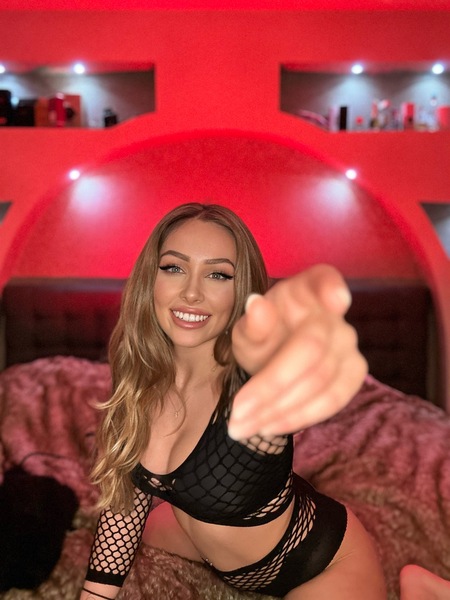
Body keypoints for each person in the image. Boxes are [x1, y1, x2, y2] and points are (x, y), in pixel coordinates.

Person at [80, 202, 386, 600]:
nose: (191, 292)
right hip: (205, 546)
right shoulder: (140, 382)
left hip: (318, 564)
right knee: (146, 530)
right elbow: (125, 511)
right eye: (173, 268)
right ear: (149, 280)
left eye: (218, 274)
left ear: (242, 293)